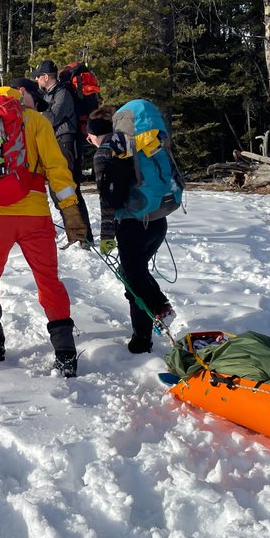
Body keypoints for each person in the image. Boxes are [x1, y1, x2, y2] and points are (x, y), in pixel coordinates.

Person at [0, 85, 87, 376]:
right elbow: (56, 167)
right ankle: (65, 353)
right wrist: (71, 211)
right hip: (35, 213)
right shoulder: (35, 120)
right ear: (17, 99)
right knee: (48, 281)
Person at [89, 102, 181, 353]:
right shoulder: (144, 144)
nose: (89, 139)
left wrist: (106, 236)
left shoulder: (106, 152)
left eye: (90, 135)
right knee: (135, 271)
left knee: (133, 281)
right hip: (157, 220)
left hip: (131, 225)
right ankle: (160, 307)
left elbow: (108, 200)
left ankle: (142, 341)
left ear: (97, 135)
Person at [31, 59, 93, 245]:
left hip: (65, 144)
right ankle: (75, 235)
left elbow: (52, 118)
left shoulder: (63, 94)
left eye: (38, 77)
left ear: (46, 77)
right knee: (60, 191)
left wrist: (34, 114)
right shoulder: (50, 94)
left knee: (69, 189)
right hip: (57, 143)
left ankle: (83, 237)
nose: (37, 81)